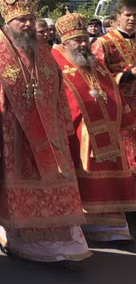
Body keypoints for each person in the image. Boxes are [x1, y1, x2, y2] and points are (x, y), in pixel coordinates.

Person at [0, 0, 90, 265]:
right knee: (15, 188)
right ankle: (17, 235)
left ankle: (63, 239)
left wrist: (63, 126)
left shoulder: (44, 52)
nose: (26, 24)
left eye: (30, 18)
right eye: (20, 20)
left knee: (55, 184)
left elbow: (59, 92)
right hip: (12, 137)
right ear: (7, 23)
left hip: (49, 137)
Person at [51, 13, 136, 242]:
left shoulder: (94, 61)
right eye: (77, 40)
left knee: (111, 174)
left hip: (106, 128)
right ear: (64, 41)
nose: (82, 43)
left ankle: (114, 229)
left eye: (84, 38)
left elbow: (111, 89)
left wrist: (123, 117)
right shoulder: (55, 60)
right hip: (78, 131)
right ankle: (87, 225)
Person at [92, 0, 136, 169]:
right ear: (117, 17)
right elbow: (96, 76)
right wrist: (127, 75)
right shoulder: (103, 43)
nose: (132, 19)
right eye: (128, 15)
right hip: (119, 107)